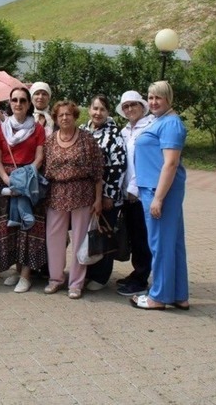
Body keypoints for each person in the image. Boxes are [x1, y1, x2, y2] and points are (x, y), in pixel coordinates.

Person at [131, 81, 189, 311]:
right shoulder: (162, 121)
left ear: (169, 99)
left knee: (160, 245)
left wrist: (159, 198)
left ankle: (159, 296)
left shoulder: (171, 124)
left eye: (159, 98)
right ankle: (178, 295)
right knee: (172, 243)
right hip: (156, 190)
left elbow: (171, 163)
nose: (154, 102)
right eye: (151, 97)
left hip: (159, 191)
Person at [41, 100, 104, 299]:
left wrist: (98, 199)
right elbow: (44, 170)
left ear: (75, 116)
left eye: (68, 114)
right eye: (60, 115)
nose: (65, 118)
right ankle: (55, 279)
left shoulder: (87, 140)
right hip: (56, 193)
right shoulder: (50, 141)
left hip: (82, 192)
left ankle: (76, 283)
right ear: (56, 118)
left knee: (79, 239)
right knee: (54, 238)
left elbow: (98, 172)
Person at [0, 86, 46, 293]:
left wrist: (24, 180)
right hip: (6, 181)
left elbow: (40, 157)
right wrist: (7, 180)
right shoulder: (1, 129)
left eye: (23, 100)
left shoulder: (37, 129)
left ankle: (27, 275)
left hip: (29, 182)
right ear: (10, 103)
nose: (18, 104)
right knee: (11, 227)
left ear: (29, 104)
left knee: (29, 227)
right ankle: (16, 269)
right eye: (14, 100)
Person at [80, 95, 127, 292]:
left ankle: (100, 276)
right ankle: (85, 272)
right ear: (89, 109)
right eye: (95, 108)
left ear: (108, 112)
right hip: (83, 195)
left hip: (106, 195)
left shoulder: (114, 134)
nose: (98, 113)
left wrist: (109, 195)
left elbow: (119, 166)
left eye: (102, 109)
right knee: (85, 234)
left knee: (103, 233)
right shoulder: (82, 130)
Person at [115, 90, 154, 297]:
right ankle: (137, 272)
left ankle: (141, 278)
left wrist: (134, 188)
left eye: (133, 105)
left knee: (142, 237)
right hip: (125, 193)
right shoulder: (124, 131)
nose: (129, 109)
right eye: (126, 106)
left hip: (140, 193)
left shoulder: (149, 128)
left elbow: (146, 162)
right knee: (132, 235)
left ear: (142, 106)